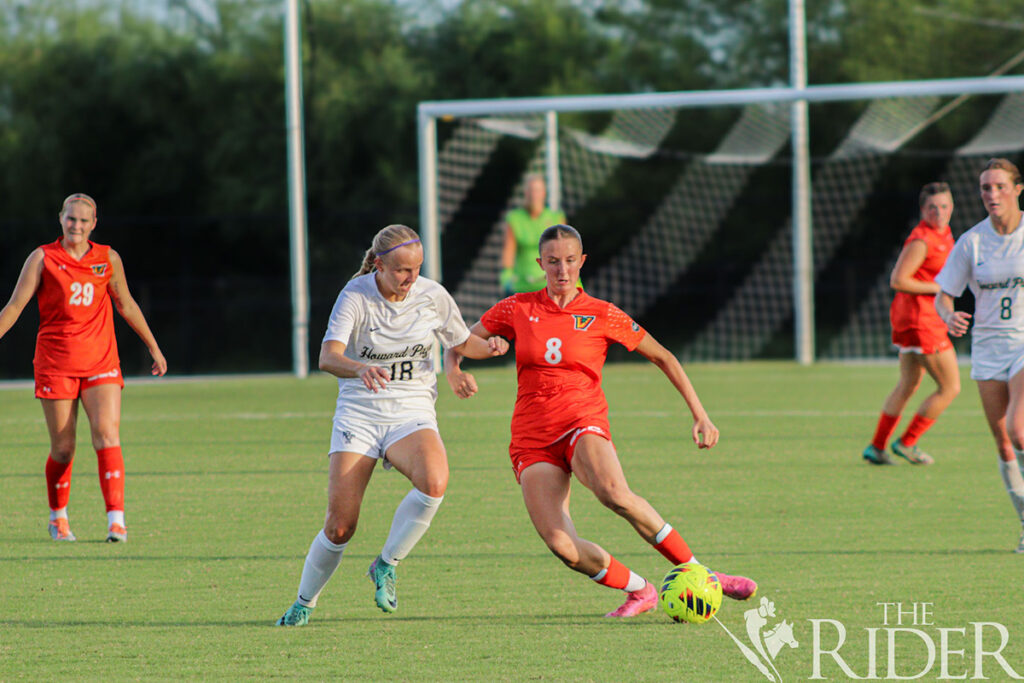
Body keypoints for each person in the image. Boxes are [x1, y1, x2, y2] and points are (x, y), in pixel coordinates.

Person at [446, 224, 757, 618]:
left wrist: (700, 414)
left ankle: (700, 571)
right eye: (554, 261)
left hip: (582, 420)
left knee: (614, 493)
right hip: (531, 438)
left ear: (582, 262)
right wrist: (456, 369)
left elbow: (664, 357)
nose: (562, 270)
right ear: (540, 263)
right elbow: (459, 342)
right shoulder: (518, 307)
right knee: (562, 545)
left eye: (570, 261)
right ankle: (640, 590)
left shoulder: (601, 314)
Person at [277, 224, 508, 626]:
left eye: (416, 269)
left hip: (410, 410)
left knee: (435, 481)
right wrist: (359, 368)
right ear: (379, 265)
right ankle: (304, 602)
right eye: (402, 270)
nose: (410, 278)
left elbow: (460, 341)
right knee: (340, 527)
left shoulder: (432, 295)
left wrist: (488, 348)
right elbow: (328, 357)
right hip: (360, 414)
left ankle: (386, 564)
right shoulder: (356, 295)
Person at [0, 193, 167, 543]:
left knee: (107, 433)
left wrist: (153, 346)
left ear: (94, 224)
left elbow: (126, 304)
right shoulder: (43, 258)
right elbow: (15, 307)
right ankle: (58, 517)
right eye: (70, 219)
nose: (76, 225)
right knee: (63, 448)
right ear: (61, 219)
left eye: (83, 220)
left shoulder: (107, 258)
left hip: (100, 360)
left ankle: (116, 522)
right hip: (55, 363)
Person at [935, 158, 1024, 552]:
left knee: (1019, 429)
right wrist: (949, 315)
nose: (992, 194)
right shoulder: (971, 241)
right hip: (988, 348)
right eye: (986, 188)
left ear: (1018, 189)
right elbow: (943, 295)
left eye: (1000, 186)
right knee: (1004, 443)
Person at [862, 182, 960, 465]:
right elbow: (898, 279)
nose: (939, 212)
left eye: (944, 206)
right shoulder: (922, 239)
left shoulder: (944, 234)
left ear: (952, 207)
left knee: (908, 383)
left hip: (914, 319)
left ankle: (876, 448)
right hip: (921, 321)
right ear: (922, 210)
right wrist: (939, 288)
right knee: (950, 387)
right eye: (932, 207)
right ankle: (907, 442)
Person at [500, 174, 568, 295]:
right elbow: (508, 252)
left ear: (543, 193)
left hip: (550, 285)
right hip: (522, 285)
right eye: (531, 191)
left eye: (537, 191)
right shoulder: (515, 219)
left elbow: (565, 253)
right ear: (526, 193)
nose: (534, 195)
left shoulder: (556, 218)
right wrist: (506, 278)